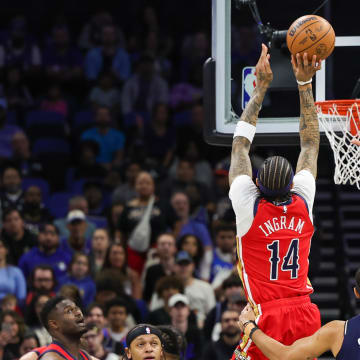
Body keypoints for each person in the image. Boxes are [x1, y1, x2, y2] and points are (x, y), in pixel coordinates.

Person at [228, 45, 322, 359]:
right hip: (306, 313)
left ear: (256, 184)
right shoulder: (302, 198)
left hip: (267, 315)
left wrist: (260, 89)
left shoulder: (247, 205)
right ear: (291, 184)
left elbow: (240, 147)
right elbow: (310, 143)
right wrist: (304, 84)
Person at [173, 251, 215, 328]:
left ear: (193, 266)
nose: (183, 268)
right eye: (180, 264)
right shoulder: (167, 288)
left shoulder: (206, 287)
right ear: (174, 266)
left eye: (186, 264)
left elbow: (212, 314)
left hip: (201, 329)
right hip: (174, 328)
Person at [143, 233, 177, 303]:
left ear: (175, 248)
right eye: (162, 244)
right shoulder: (151, 270)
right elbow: (147, 296)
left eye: (169, 244)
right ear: (157, 248)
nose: (166, 247)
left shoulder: (182, 268)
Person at [168, 294, 203, 360]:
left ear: (188, 311)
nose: (180, 310)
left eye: (183, 306)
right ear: (170, 311)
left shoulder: (196, 333)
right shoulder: (165, 333)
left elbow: (201, 355)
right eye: (176, 307)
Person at [0, 238, 27, 303]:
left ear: (6, 250)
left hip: (11, 309)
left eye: (0, 247)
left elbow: (21, 297)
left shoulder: (16, 272)